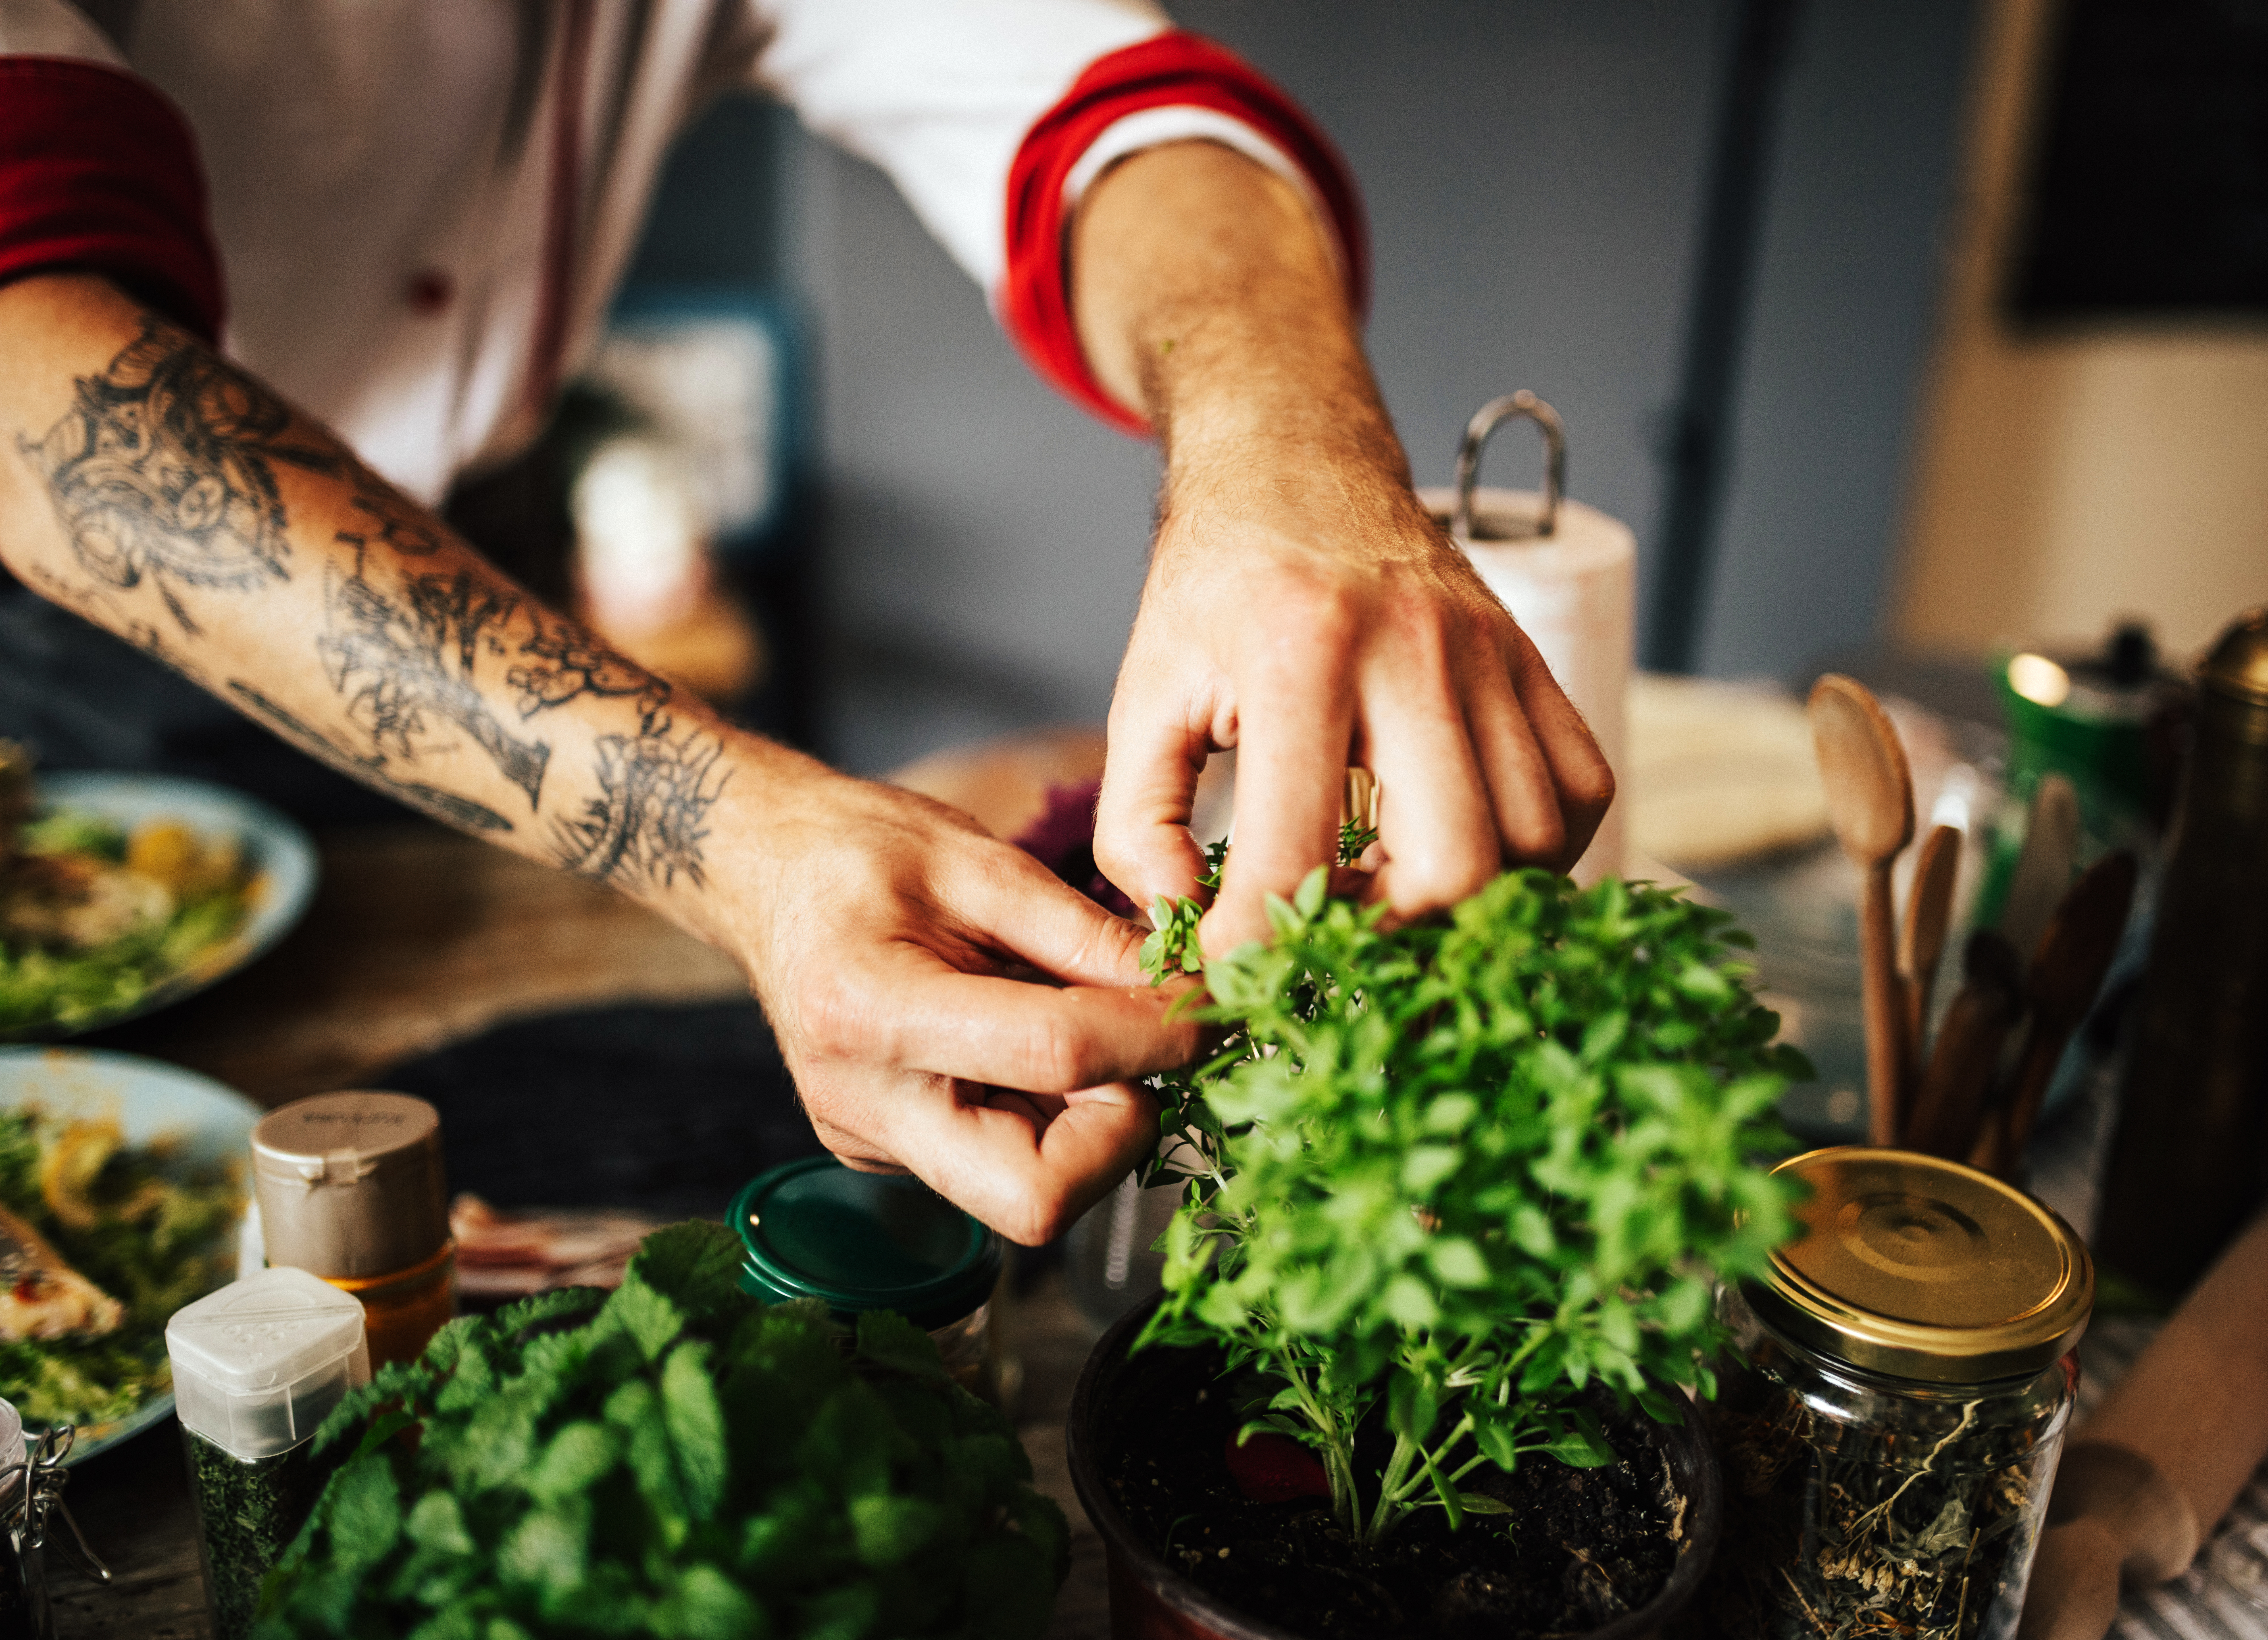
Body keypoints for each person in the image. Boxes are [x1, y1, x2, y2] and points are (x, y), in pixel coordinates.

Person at [0, 0, 1613, 1243]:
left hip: (478, 536)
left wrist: (1292, 447)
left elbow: (1102, 109)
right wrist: (728, 837)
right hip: (87, 625)